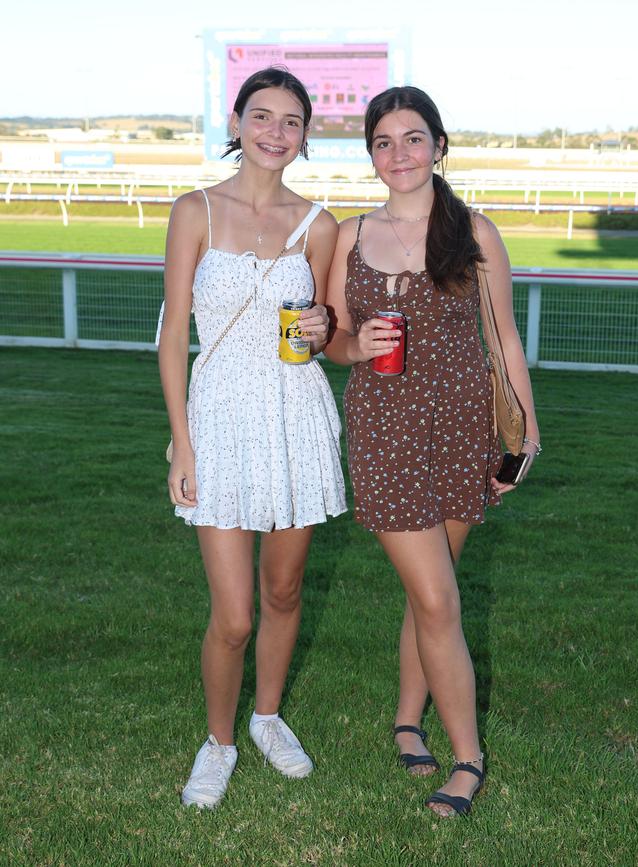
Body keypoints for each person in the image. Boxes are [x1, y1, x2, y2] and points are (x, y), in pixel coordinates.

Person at [324, 86, 540, 818]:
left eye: (412, 138)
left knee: (431, 591)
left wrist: (525, 436)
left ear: (439, 145)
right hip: (384, 432)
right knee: (439, 597)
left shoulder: (473, 232)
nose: (399, 154)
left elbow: (503, 337)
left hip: (460, 428)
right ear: (370, 156)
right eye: (383, 142)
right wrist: (358, 344)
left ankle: (406, 717)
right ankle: (469, 758)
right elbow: (331, 337)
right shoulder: (349, 235)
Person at [158, 66, 346, 809]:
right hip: (220, 420)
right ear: (235, 124)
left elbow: (325, 329)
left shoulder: (320, 223)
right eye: (261, 116)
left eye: (291, 120)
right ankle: (219, 740)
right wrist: (182, 441)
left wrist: (325, 325)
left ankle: (266, 717)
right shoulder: (195, 209)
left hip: (296, 415)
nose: (275, 131)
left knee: (285, 586)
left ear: (304, 135)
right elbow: (174, 336)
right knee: (234, 612)